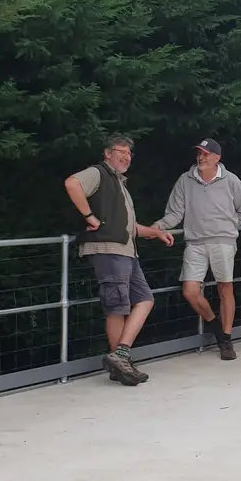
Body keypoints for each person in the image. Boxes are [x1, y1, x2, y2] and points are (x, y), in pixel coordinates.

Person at [64, 134, 174, 386]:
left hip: (126, 250)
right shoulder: (99, 173)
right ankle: (121, 365)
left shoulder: (118, 183)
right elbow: (72, 183)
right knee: (117, 307)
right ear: (107, 153)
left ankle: (120, 356)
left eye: (128, 153)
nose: (126, 157)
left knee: (144, 299)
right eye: (120, 152)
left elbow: (128, 226)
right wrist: (89, 217)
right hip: (109, 249)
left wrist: (155, 232)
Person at [153, 138, 241, 360]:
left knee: (225, 288)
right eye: (199, 153)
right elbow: (175, 213)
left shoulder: (231, 180)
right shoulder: (185, 180)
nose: (201, 157)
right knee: (190, 291)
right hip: (195, 243)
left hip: (223, 242)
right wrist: (157, 227)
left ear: (217, 157)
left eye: (206, 154)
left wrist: (227, 228)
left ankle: (226, 340)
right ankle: (216, 328)